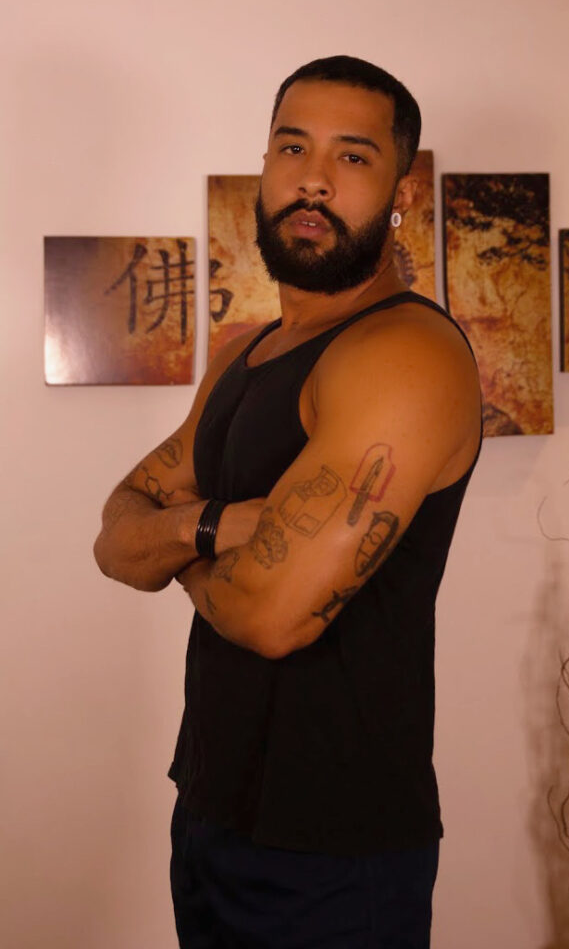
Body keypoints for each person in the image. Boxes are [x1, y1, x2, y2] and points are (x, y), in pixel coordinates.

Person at [94, 55, 482, 949]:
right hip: (208, 806)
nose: (313, 178)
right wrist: (214, 526)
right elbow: (112, 537)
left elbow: (271, 618)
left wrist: (173, 548)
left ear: (399, 193)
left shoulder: (405, 355)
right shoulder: (244, 353)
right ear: (264, 167)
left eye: (352, 156)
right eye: (292, 147)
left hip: (336, 851)